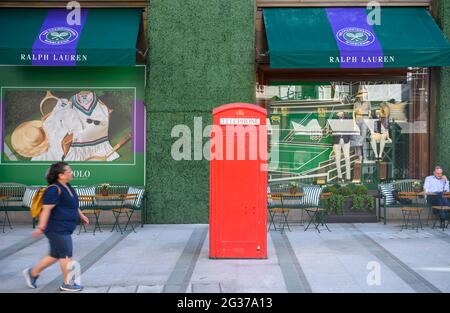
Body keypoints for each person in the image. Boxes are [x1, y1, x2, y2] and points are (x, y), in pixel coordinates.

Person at [22, 162, 89, 292]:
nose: (71, 172)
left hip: (64, 227)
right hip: (56, 228)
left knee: (54, 255)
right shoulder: (54, 189)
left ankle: (32, 273)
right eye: (68, 171)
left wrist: (81, 215)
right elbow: (46, 209)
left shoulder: (67, 186)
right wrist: (40, 227)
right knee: (66, 255)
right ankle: (67, 283)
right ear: (61, 175)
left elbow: (73, 203)